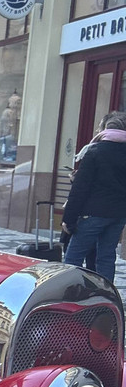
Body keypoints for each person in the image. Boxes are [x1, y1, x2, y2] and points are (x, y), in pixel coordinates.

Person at [61, 111, 126, 283]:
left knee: (73, 258)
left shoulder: (95, 151)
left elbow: (80, 189)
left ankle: (66, 294)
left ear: (105, 130)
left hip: (93, 214)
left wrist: (69, 218)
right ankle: (105, 297)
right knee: (106, 257)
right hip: (118, 215)